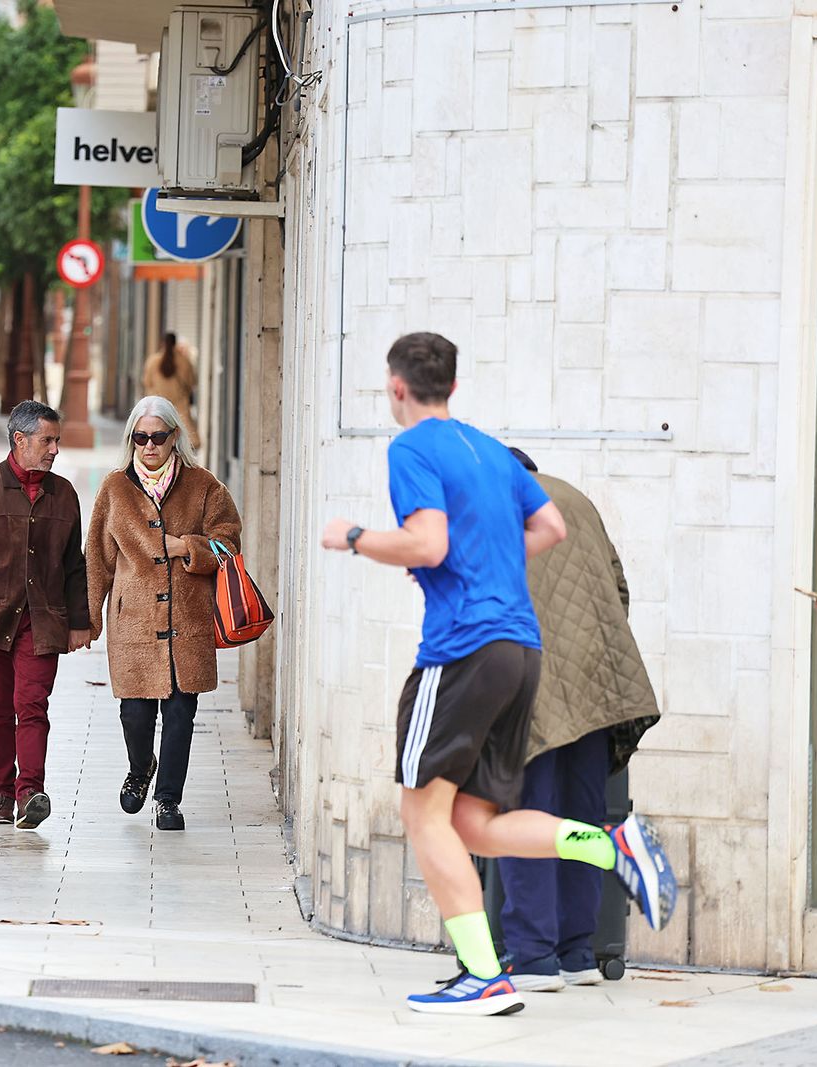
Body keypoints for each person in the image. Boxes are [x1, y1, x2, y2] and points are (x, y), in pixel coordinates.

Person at [318, 331, 677, 1017]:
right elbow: (550, 529)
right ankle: (611, 844)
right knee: (472, 822)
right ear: (451, 386)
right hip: (520, 650)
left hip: (461, 649)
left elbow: (428, 541)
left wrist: (356, 537)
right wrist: (493, 567)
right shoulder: (487, 448)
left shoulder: (413, 448)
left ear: (397, 388)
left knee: (421, 812)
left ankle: (485, 974)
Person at [495, 447, 661, 992]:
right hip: (596, 684)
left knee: (526, 816)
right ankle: (577, 953)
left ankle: (534, 956)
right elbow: (619, 589)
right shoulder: (577, 501)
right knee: (581, 815)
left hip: (528, 686)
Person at [86, 396, 242, 832]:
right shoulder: (115, 488)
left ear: (175, 437)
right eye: (141, 438)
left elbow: (229, 543)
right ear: (131, 439)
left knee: (179, 713)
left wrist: (184, 546)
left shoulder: (205, 486)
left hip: (186, 621)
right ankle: (140, 768)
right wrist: (90, 619)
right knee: (135, 714)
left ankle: (168, 800)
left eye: (158, 437)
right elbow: (96, 557)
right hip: (132, 622)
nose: (149, 446)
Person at [0, 400, 92, 830]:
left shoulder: (64, 495)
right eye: (47, 440)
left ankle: (30, 792)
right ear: (20, 440)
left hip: (42, 622)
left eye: (57, 441)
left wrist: (79, 621)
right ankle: (2, 794)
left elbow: (74, 564)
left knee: (32, 705)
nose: (55, 450)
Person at [142, 333, 201, 451]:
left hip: (158, 408)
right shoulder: (184, 361)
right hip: (181, 409)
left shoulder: (153, 361)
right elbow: (192, 382)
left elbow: (147, 382)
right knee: (188, 442)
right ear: (175, 344)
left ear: (162, 343)